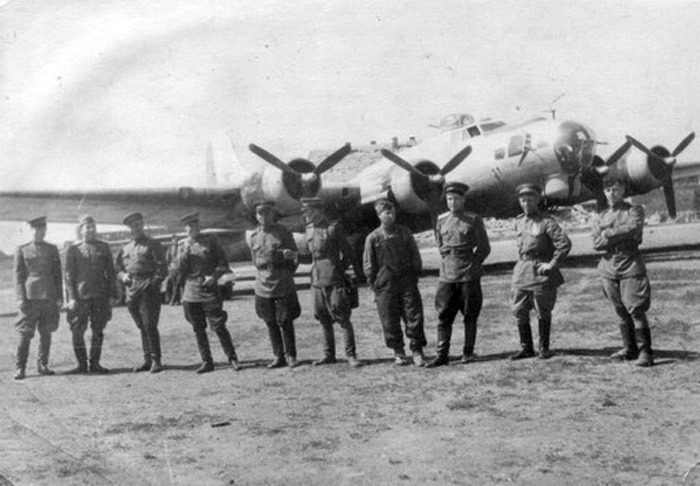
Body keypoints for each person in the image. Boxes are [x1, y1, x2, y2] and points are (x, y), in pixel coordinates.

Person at [591, 173, 654, 367]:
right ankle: (629, 347)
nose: (612, 193)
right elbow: (596, 242)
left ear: (623, 190)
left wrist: (608, 233)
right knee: (619, 309)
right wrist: (613, 236)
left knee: (635, 309)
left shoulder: (634, 210)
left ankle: (646, 352)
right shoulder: (601, 215)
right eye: (608, 190)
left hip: (630, 264)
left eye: (616, 189)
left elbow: (633, 228)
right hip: (609, 266)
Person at [427, 181, 491, 368]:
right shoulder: (441, 220)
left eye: (456, 198)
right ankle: (442, 355)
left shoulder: (473, 219)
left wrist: (473, 264)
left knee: (470, 314)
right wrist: (449, 260)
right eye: (449, 199)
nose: (452, 202)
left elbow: (484, 247)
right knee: (444, 315)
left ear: (463, 200)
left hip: (468, 274)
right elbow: (440, 245)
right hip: (447, 274)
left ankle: (468, 352)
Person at [510, 184, 572, 360]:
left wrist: (552, 264)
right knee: (519, 310)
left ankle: (543, 348)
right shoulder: (519, 221)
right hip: (522, 271)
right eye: (523, 200)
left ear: (537, 200)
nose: (526, 203)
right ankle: (526, 348)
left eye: (530, 200)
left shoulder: (547, 222)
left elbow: (564, 244)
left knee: (542, 310)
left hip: (540, 273)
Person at [172, 212, 239, 373]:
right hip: (191, 292)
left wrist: (214, 277)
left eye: (194, 225)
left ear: (199, 226)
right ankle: (207, 361)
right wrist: (183, 253)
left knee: (218, 325)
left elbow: (223, 263)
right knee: (198, 327)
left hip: (209, 289)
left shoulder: (210, 241)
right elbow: (177, 271)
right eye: (188, 227)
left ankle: (232, 358)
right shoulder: (182, 246)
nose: (192, 229)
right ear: (185, 229)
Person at [363, 198, 427, 366]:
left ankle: (417, 351)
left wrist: (414, 276)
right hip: (385, 286)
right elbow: (368, 265)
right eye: (386, 213)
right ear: (379, 216)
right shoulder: (373, 238)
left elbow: (415, 256)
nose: (390, 215)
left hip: (407, 283)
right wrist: (374, 287)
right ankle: (398, 352)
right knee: (389, 320)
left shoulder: (405, 232)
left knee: (414, 317)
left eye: (392, 212)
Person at [301, 197, 362, 368]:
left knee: (342, 318)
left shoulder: (333, 228)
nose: (307, 214)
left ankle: (351, 355)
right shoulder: (309, 229)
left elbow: (348, 254)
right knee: (323, 318)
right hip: (316, 281)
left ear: (318, 210)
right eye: (305, 212)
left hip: (334, 278)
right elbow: (309, 255)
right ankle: (329, 355)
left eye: (309, 211)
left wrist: (338, 269)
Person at [247, 201, 300, 368]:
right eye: (260, 214)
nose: (263, 217)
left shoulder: (283, 232)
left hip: (282, 280)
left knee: (285, 319)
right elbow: (255, 261)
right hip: (262, 282)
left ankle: (290, 355)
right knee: (269, 320)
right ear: (256, 216)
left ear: (273, 214)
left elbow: (293, 257)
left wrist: (285, 273)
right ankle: (278, 356)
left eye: (267, 213)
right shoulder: (254, 237)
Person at [64, 215, 119, 373]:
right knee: (77, 330)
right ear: (81, 230)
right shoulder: (74, 249)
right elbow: (69, 276)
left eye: (93, 227)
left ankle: (95, 363)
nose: (91, 230)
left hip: (100, 296)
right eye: (87, 227)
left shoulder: (103, 247)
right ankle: (81, 364)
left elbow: (110, 272)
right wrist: (72, 297)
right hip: (81, 297)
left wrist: (112, 295)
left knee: (98, 330)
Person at [12, 216, 63, 380]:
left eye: (42, 229)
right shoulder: (22, 249)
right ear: (30, 230)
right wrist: (20, 297)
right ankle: (20, 367)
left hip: (49, 295)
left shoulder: (52, 249)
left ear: (45, 230)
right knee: (25, 333)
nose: (39, 232)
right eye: (36, 229)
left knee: (46, 332)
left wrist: (60, 297)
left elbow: (57, 274)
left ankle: (43, 364)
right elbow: (18, 276)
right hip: (30, 297)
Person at [115, 212, 167, 373]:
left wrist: (153, 284)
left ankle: (156, 360)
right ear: (128, 229)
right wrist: (123, 276)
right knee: (141, 326)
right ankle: (147, 359)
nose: (135, 229)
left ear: (142, 225)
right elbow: (117, 269)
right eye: (132, 226)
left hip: (148, 289)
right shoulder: (125, 248)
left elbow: (162, 268)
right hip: (132, 290)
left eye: (137, 225)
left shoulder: (153, 244)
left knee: (150, 325)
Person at [162, 235, 182, 305]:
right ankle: (172, 300)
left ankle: (174, 300)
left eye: (177, 240)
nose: (175, 241)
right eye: (174, 240)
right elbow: (167, 259)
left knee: (177, 285)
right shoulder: (170, 249)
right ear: (172, 241)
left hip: (180, 268)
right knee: (172, 284)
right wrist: (168, 267)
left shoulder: (181, 248)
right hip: (172, 268)